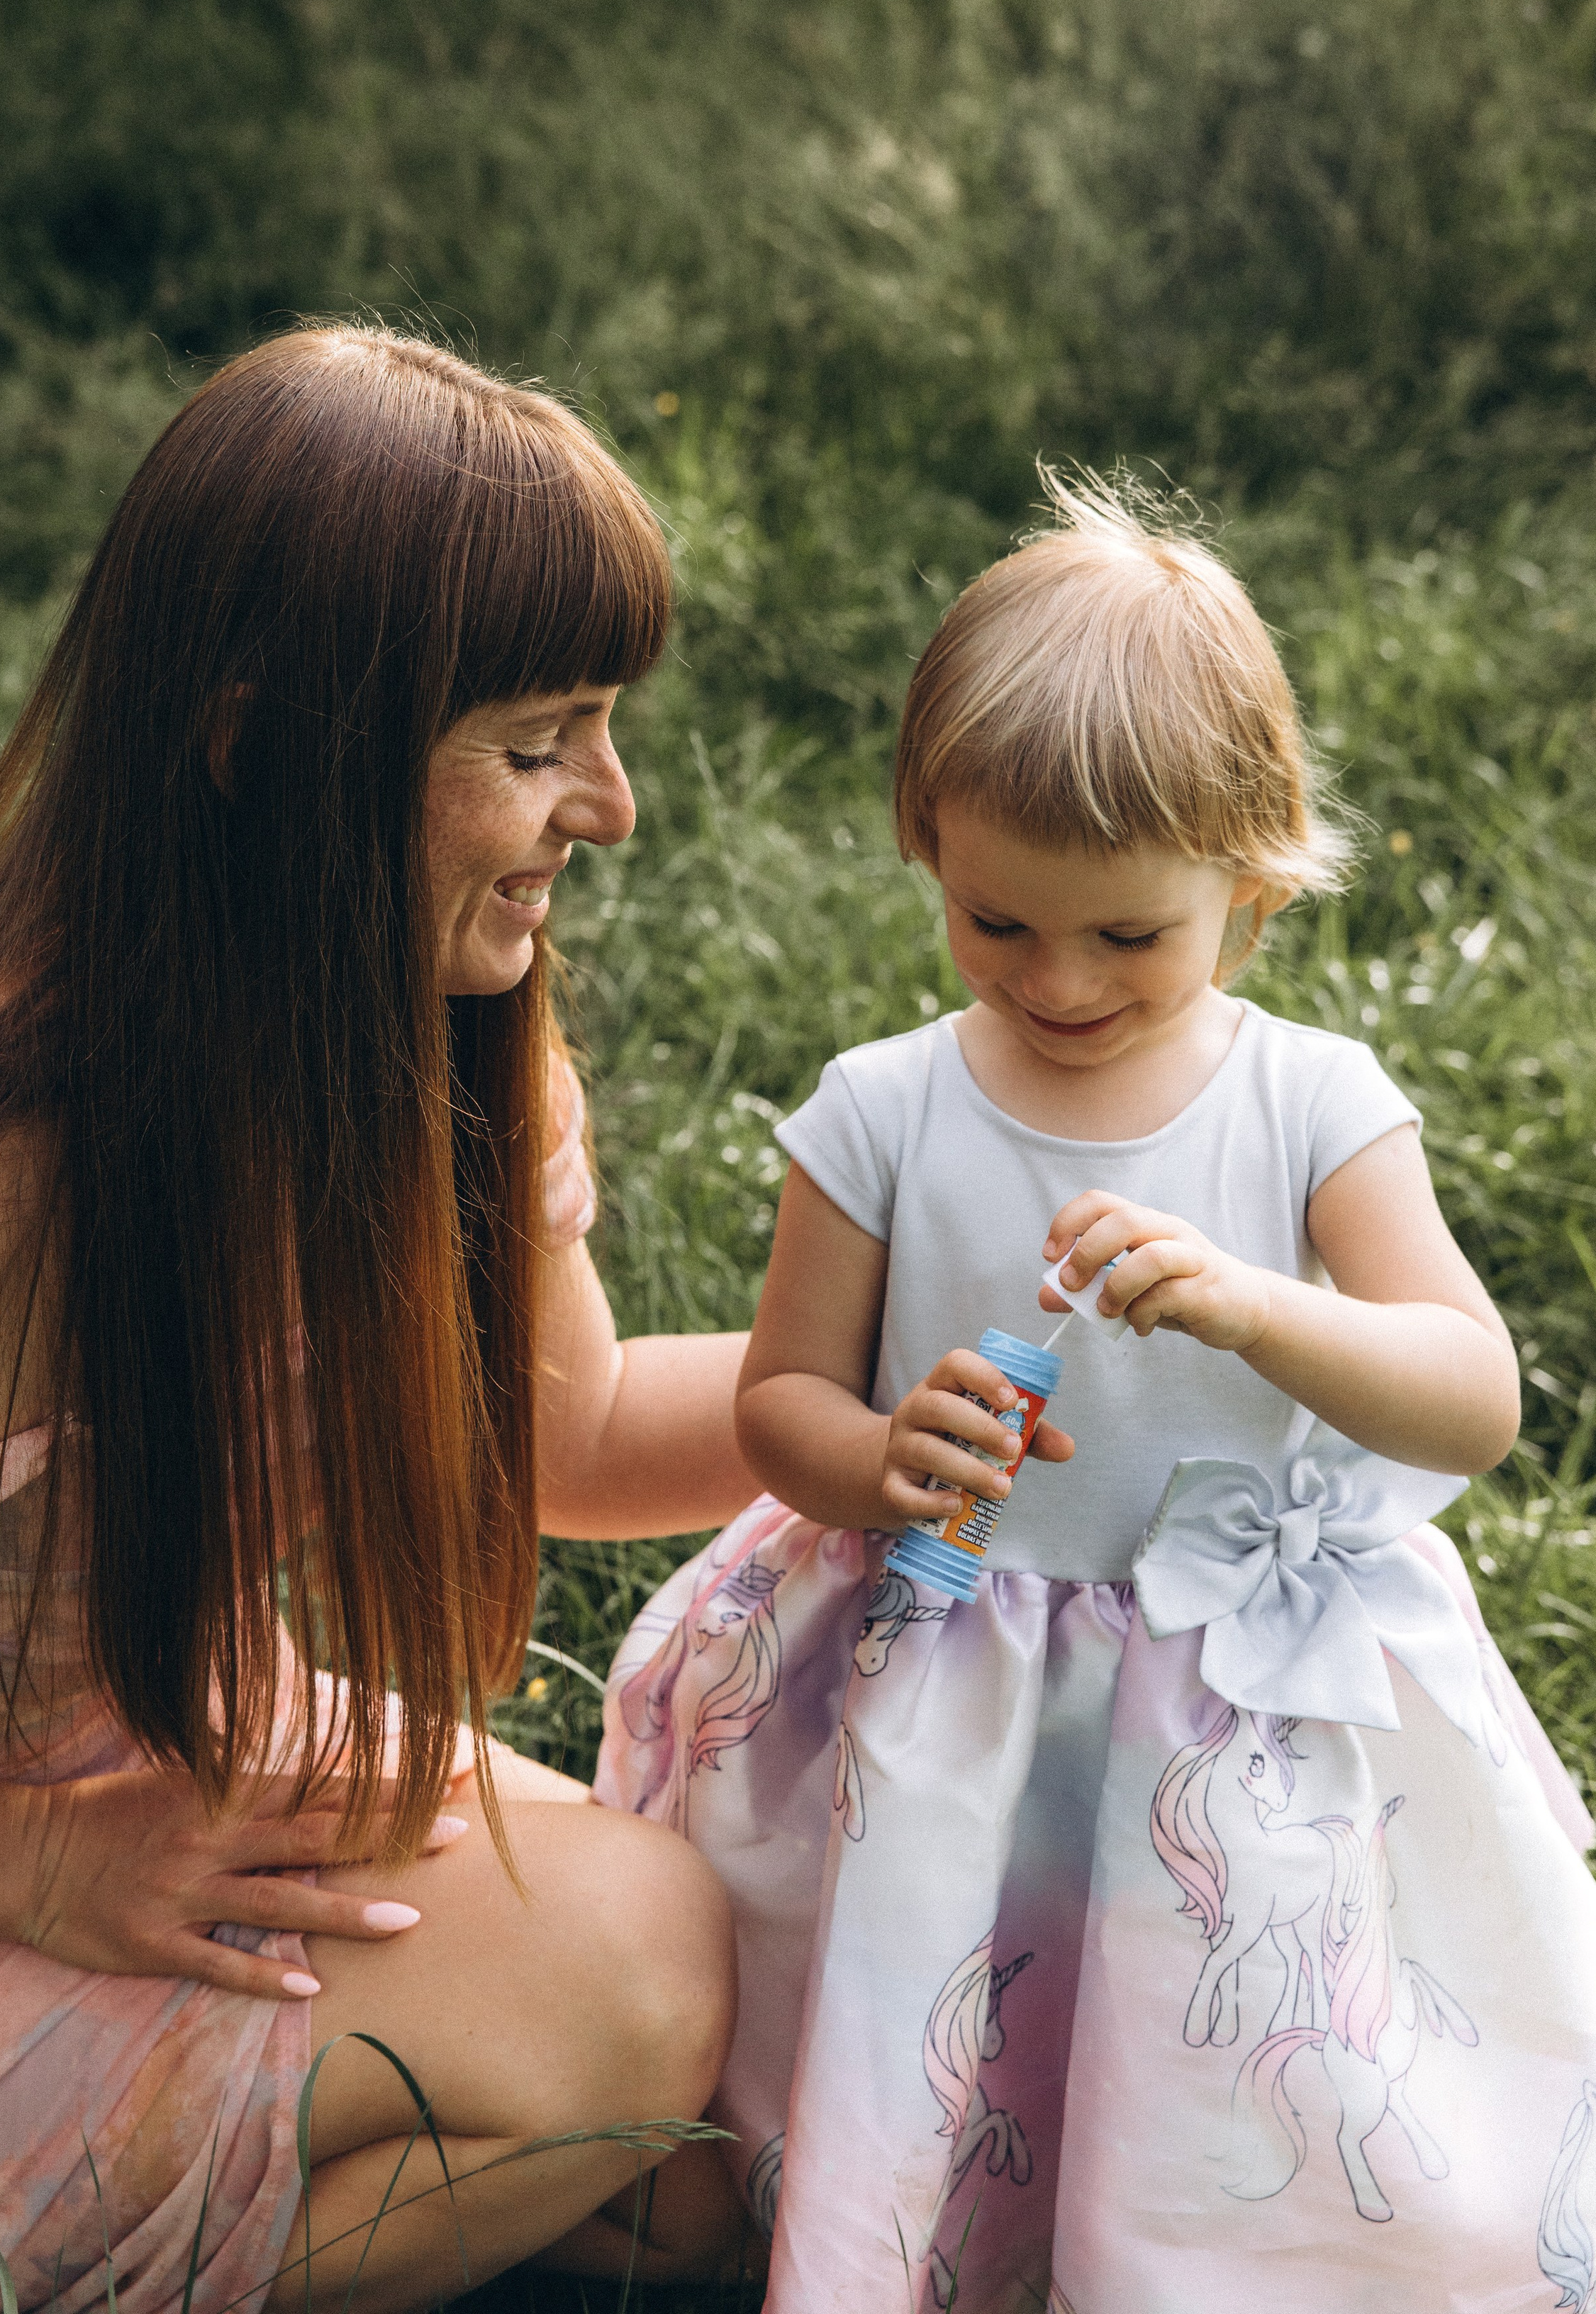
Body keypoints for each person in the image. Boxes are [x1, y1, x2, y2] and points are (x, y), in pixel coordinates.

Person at [0, 326, 764, 2312]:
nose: (615, 805)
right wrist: (38, 1875)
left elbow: (568, 1437)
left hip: (154, 1775)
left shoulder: (444, 1069)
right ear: (255, 746)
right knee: (636, 1992)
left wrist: (900, 1369)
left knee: (709, 2142)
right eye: (536, 739)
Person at [595, 479, 1596, 2313]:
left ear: (1255, 872)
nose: (1057, 984)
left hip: (1235, 1700)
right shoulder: (883, 1111)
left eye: (1128, 940)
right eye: (998, 924)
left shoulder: (1311, 1102)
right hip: (959, 1666)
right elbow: (779, 1403)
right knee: (954, 1999)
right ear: (927, 846)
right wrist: (885, 1455)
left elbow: (1470, 1401)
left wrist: (1262, 1313)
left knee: (1209, 2034)